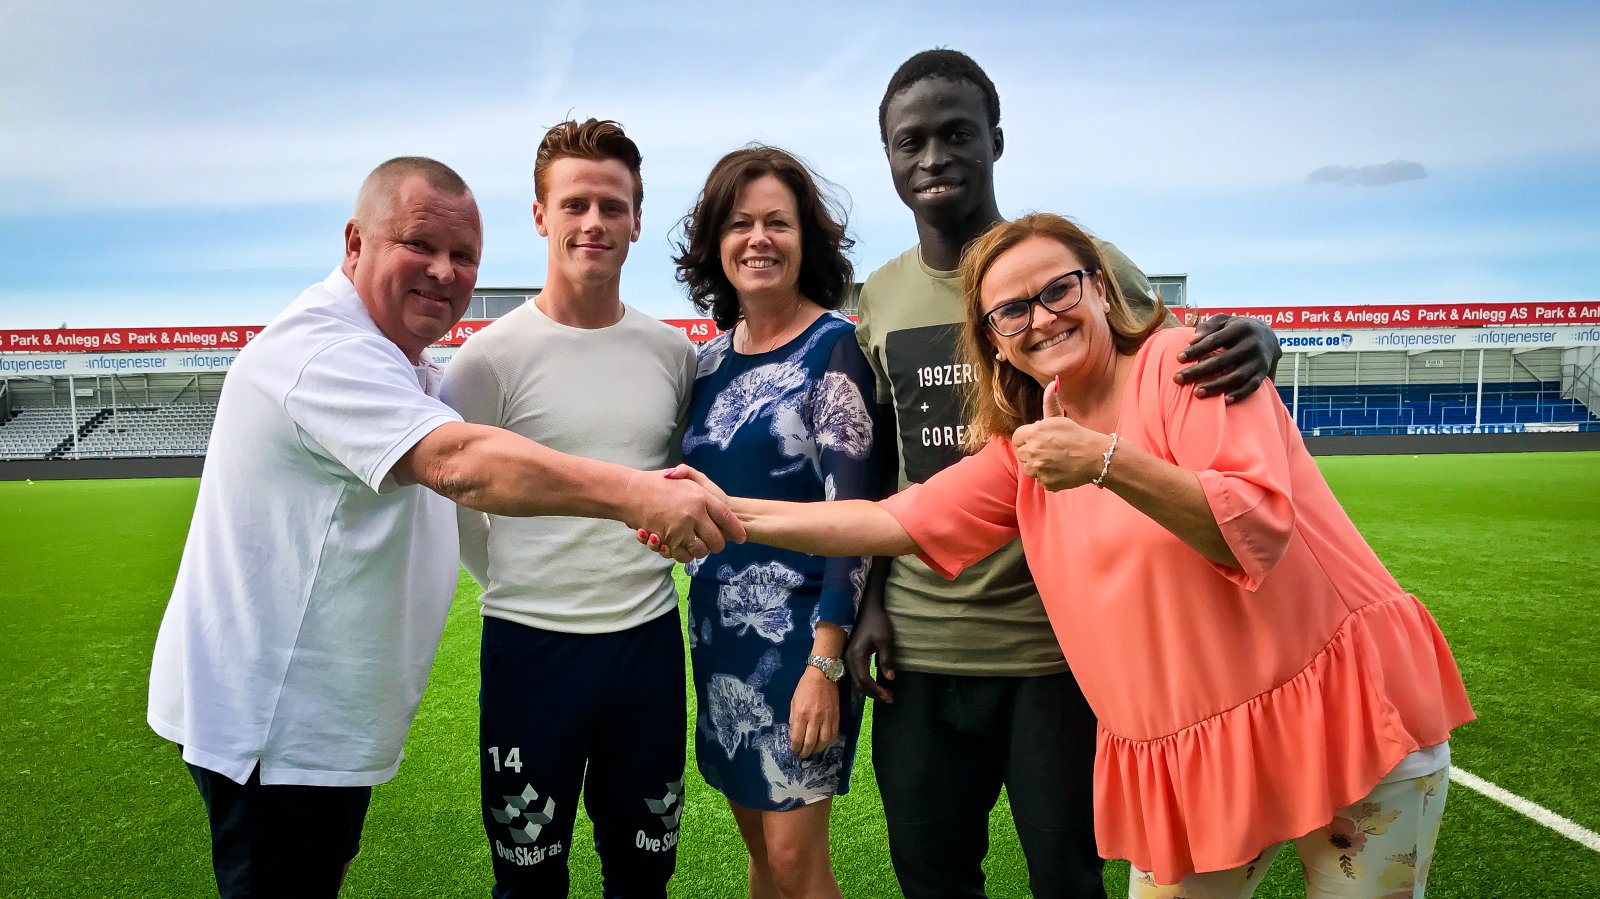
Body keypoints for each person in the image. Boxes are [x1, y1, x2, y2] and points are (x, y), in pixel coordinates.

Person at [659, 213, 1475, 898]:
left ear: (1102, 288)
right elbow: (887, 520)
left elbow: (1255, 525)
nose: (1042, 317)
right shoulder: (1029, 446)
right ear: (994, 343)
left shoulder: (1184, 365)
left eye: (1059, 289)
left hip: (1345, 712)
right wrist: (723, 510)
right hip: (1207, 756)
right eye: (1011, 311)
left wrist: (1107, 460)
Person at [147, 156, 740, 899]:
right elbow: (458, 463)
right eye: (418, 244)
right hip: (275, 720)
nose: (443, 271)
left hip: (322, 720)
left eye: (463, 255)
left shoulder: (403, 363)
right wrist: (635, 496)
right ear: (355, 243)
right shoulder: (325, 352)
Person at [846, 48, 1283, 899]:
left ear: (996, 141)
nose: (934, 158)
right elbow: (881, 468)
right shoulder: (882, 296)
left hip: (1061, 648)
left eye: (957, 134)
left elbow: (1173, 359)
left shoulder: (1078, 263)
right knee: (931, 880)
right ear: (889, 158)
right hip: (923, 646)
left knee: (1070, 879)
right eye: (910, 142)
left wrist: (1261, 340)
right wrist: (868, 606)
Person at [441, 119, 705, 899]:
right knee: (528, 878)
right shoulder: (487, 359)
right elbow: (454, 495)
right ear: (540, 215)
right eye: (575, 204)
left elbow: (675, 483)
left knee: (644, 875)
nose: (594, 222)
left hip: (646, 648)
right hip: (530, 650)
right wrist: (513, 581)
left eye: (613, 206)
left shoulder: (672, 354)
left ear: (636, 220)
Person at [670, 146, 879, 899]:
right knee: (759, 852)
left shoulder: (835, 348)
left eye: (777, 223)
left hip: (803, 640)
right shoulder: (705, 364)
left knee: (795, 860)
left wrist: (825, 664)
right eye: (739, 223)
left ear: (805, 240)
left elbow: (854, 520)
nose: (758, 238)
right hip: (718, 636)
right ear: (715, 243)